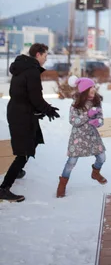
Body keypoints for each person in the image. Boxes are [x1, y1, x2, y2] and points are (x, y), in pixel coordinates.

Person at [0, 43, 60, 203]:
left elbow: (24, 94)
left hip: (19, 111)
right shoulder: (31, 70)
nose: (46, 58)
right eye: (45, 55)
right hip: (22, 115)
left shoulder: (23, 67)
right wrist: (48, 109)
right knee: (23, 152)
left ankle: (17, 171)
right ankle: (4, 188)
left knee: (32, 142)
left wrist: (40, 110)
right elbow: (35, 97)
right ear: (38, 54)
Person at [56, 76, 107, 198]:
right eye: (91, 87)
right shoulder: (75, 104)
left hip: (92, 136)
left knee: (102, 157)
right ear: (85, 90)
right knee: (71, 162)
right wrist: (87, 115)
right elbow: (73, 121)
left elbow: (101, 119)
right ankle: (62, 184)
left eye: (94, 86)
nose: (94, 89)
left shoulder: (97, 102)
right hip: (78, 137)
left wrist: (98, 122)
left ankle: (95, 173)